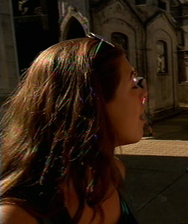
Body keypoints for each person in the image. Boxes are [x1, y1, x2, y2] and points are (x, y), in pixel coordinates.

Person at [0, 33, 148, 224]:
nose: (144, 94)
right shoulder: (17, 216)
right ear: (92, 104)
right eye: (133, 85)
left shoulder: (110, 173)